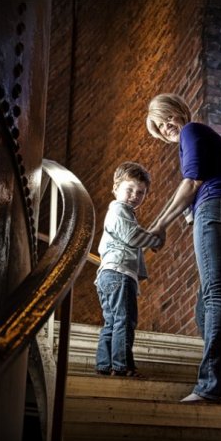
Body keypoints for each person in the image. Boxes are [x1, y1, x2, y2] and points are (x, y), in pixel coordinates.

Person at [146, 93, 221, 405]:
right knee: (203, 308)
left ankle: (211, 388)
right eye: (159, 126)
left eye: (166, 117)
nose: (166, 126)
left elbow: (192, 182)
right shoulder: (204, 139)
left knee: (215, 298)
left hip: (216, 210)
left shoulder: (192, 131)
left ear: (179, 111)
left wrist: (159, 224)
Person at [95, 161, 163, 377]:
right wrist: (154, 239)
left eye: (140, 192)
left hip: (108, 274)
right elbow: (132, 236)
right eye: (129, 189)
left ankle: (105, 365)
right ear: (115, 188)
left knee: (112, 321)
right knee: (124, 320)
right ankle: (122, 366)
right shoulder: (119, 209)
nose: (134, 195)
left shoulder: (121, 212)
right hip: (119, 274)